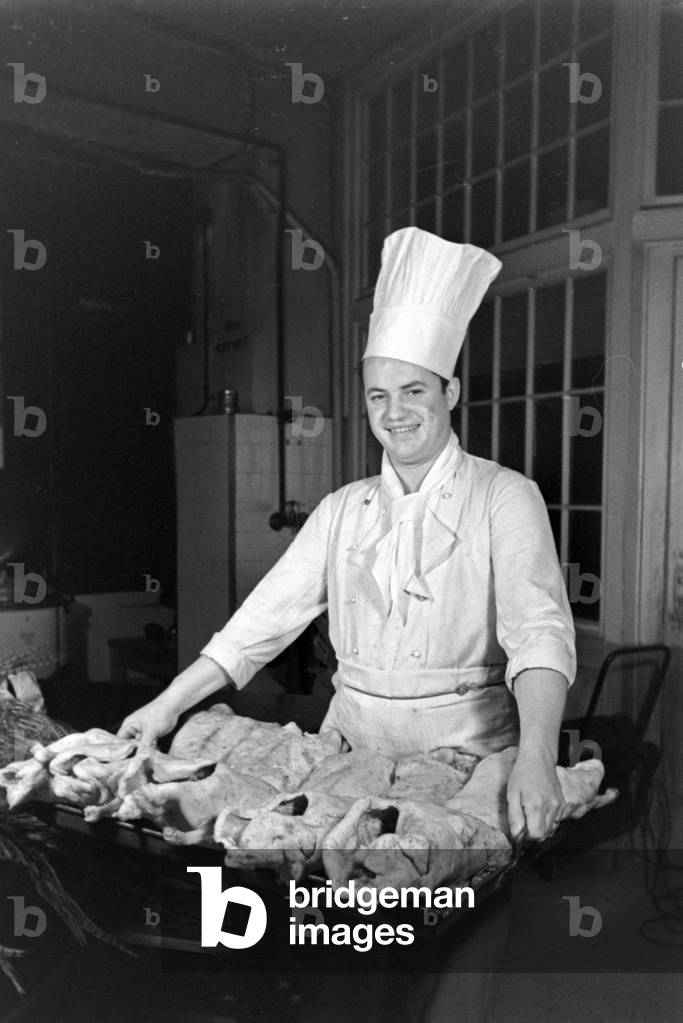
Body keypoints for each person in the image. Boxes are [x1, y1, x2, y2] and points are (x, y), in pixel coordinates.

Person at [119, 226, 575, 846]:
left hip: (463, 762)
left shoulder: (504, 496)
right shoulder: (341, 511)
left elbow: (540, 634)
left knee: (436, 914)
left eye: (414, 391)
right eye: (378, 396)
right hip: (347, 759)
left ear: (451, 392)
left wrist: (537, 756)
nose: (395, 413)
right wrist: (168, 705)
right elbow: (258, 627)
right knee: (319, 907)